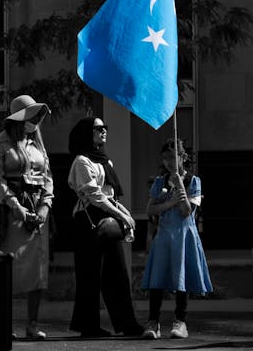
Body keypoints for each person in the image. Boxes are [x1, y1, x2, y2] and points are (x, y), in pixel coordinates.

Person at [0, 94, 53, 340]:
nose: (36, 120)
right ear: (19, 118)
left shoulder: (38, 144)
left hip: (37, 211)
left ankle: (32, 324)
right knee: (8, 269)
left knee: (37, 270)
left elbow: (48, 178)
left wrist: (45, 206)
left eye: (38, 116)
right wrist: (15, 205)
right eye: (32, 116)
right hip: (10, 211)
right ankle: (3, 323)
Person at [67, 116, 143, 338]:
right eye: (98, 128)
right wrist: (120, 214)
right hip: (88, 221)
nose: (103, 131)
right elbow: (94, 196)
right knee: (89, 275)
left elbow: (110, 194)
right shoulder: (82, 161)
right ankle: (88, 326)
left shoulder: (106, 161)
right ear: (86, 134)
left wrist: (125, 214)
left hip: (107, 219)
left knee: (118, 273)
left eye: (105, 128)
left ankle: (127, 324)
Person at [141, 138, 212, 340]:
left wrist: (180, 186)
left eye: (173, 157)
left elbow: (187, 212)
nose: (169, 162)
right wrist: (170, 202)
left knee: (181, 278)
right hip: (164, 234)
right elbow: (150, 209)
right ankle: (153, 322)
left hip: (184, 235)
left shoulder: (193, 181)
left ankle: (180, 321)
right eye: (165, 158)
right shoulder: (159, 181)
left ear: (183, 158)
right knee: (157, 278)